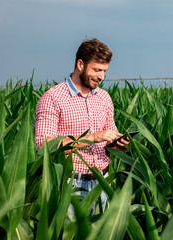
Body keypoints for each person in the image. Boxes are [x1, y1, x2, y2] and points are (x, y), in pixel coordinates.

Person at [35, 38, 129, 217]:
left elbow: (107, 141)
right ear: (80, 64)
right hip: (71, 185)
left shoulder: (104, 98)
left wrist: (117, 144)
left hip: (103, 182)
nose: (101, 76)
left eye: (104, 71)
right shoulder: (53, 98)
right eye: (97, 70)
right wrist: (92, 138)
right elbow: (44, 146)